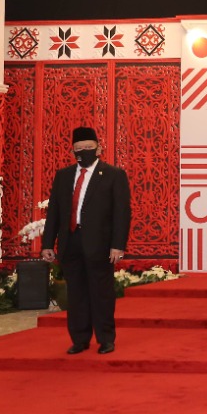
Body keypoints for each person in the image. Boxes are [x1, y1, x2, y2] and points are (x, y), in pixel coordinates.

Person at [41, 127, 131, 355]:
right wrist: (47, 243)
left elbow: (121, 213)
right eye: (79, 149)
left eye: (89, 148)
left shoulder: (113, 175)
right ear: (72, 152)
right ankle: (80, 339)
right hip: (70, 242)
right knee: (76, 294)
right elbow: (54, 212)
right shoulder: (63, 176)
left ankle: (106, 339)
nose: (84, 152)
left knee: (101, 293)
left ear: (98, 149)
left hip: (100, 245)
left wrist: (118, 245)